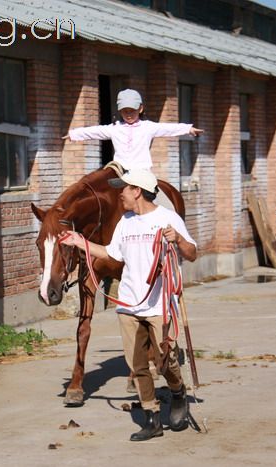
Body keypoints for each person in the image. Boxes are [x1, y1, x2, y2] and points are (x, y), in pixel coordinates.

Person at [60, 169, 198, 442]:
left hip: (158, 305)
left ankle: (178, 391)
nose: (118, 193)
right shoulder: (125, 221)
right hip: (128, 305)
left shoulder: (167, 218)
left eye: (122, 188)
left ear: (137, 190)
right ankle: (151, 418)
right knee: (137, 365)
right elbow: (111, 253)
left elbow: (192, 253)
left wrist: (178, 240)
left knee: (166, 361)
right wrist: (80, 242)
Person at [62, 89, 204, 171]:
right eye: (125, 111)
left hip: (142, 171)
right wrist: (74, 134)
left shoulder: (148, 127)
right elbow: (94, 131)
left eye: (132, 110)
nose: (129, 114)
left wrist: (188, 128)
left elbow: (168, 128)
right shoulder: (115, 129)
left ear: (140, 109)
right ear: (120, 111)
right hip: (119, 171)